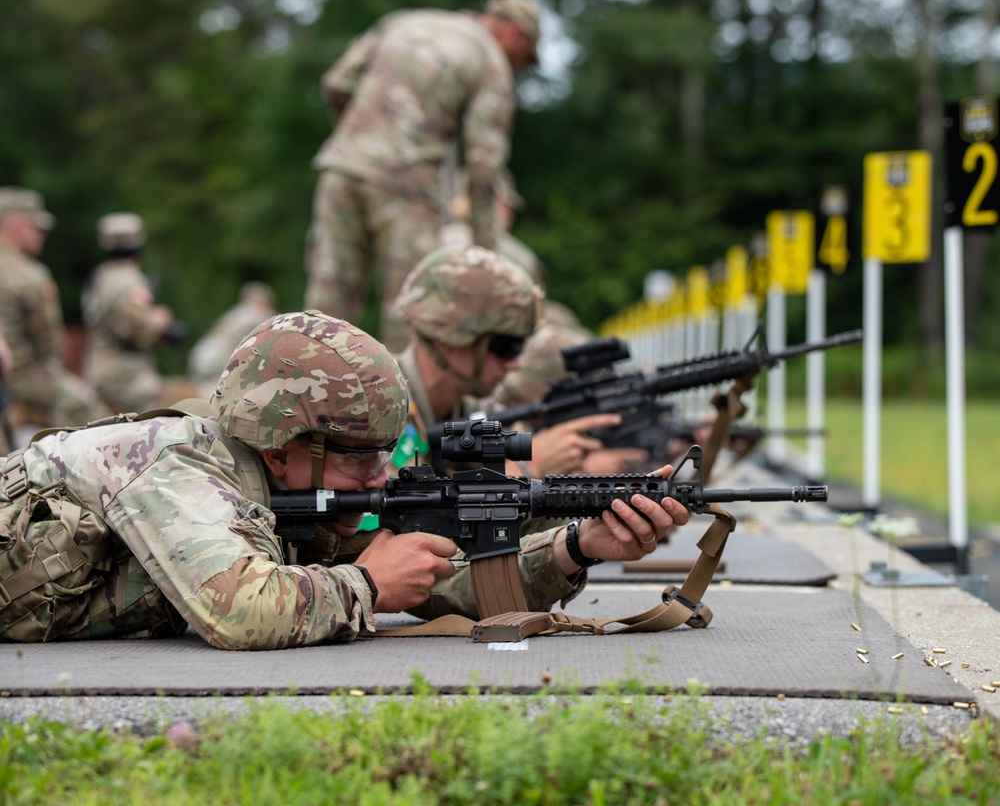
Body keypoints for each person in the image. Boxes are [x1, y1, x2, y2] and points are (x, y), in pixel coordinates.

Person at [0, 311, 687, 648]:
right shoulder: (170, 460)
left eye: (384, 452)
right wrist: (366, 585)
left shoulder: (300, 496)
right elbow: (239, 611)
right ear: (280, 446)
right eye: (361, 456)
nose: (381, 473)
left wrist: (578, 545)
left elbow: (442, 587)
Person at [305, 0, 541, 349]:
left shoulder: (403, 20)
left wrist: (362, 139)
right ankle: (403, 405)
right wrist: (487, 254)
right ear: (517, 33)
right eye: (524, 57)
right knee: (410, 310)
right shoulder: (489, 60)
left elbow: (338, 82)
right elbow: (483, 166)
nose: (519, 66)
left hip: (342, 169)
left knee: (327, 303)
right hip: (407, 186)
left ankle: (306, 394)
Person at [391, 245, 647, 478]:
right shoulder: (376, 403)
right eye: (506, 347)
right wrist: (531, 469)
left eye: (521, 347)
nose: (514, 364)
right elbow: (391, 520)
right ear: (447, 337)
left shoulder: (475, 410)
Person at [0, 187, 102, 442]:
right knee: (88, 409)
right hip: (21, 375)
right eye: (36, 227)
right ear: (14, 224)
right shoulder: (29, 275)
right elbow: (49, 343)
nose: (42, 235)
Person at [82, 213, 178, 414]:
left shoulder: (99, 277)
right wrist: (159, 321)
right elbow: (139, 332)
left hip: (99, 371)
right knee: (158, 428)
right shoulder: (130, 281)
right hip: (128, 379)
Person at [438, 169, 545, 285]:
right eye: (501, 204)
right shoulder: (517, 255)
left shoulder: (439, 239)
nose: (509, 212)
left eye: (509, 206)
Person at [189, 281, 276, 389]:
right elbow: (276, 329)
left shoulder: (236, 312)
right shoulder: (254, 312)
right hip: (217, 359)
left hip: (201, 355)